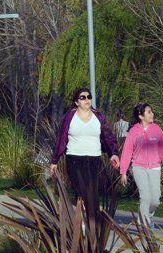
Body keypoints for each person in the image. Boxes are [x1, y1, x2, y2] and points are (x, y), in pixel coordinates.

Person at [50, 88, 120, 230]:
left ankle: (92, 224)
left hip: (94, 159)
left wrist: (113, 153)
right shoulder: (70, 117)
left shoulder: (98, 117)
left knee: (92, 192)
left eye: (89, 96)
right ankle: (81, 224)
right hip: (74, 159)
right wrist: (54, 160)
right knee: (81, 191)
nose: (87, 99)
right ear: (77, 102)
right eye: (83, 97)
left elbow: (108, 136)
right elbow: (61, 139)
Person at [119, 103, 163, 229]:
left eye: (151, 111)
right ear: (141, 116)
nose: (152, 114)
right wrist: (123, 172)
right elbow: (126, 152)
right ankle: (143, 226)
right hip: (138, 167)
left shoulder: (157, 129)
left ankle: (149, 215)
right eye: (149, 112)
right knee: (145, 197)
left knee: (155, 200)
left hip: (155, 167)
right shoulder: (133, 131)